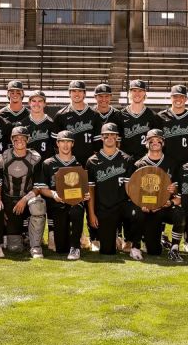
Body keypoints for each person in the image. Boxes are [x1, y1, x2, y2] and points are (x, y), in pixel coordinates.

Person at [53, 80, 102, 250]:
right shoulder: (61, 115)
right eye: (73, 91)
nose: (76, 94)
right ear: (69, 93)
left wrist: (92, 164)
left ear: (84, 94)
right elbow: (56, 144)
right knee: (69, 200)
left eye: (79, 91)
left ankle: (93, 237)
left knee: (90, 200)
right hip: (68, 164)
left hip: (88, 164)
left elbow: (97, 145)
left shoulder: (94, 115)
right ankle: (76, 236)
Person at [35, 130, 90, 260]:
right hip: (57, 204)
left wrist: (85, 195)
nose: (65, 145)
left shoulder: (79, 163)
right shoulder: (48, 163)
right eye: (62, 142)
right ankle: (71, 241)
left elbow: (85, 188)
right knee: (61, 249)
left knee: (77, 210)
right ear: (57, 143)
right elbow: (42, 188)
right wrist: (53, 194)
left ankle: (75, 247)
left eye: (68, 142)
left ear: (73, 144)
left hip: (75, 202)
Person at [0, 126, 46, 258]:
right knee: (14, 248)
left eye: (23, 138)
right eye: (16, 139)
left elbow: (38, 187)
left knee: (38, 204)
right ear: (12, 140)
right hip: (10, 200)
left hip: (28, 199)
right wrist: (3, 209)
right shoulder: (2, 158)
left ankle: (35, 247)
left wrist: (24, 200)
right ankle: (22, 235)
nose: (20, 141)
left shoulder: (35, 158)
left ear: (28, 140)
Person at [86, 123, 137, 257]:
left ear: (117, 137)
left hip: (122, 206)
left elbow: (129, 188)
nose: (109, 137)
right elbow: (90, 191)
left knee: (138, 213)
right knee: (108, 251)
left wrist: (137, 205)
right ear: (101, 138)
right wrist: (91, 214)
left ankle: (133, 243)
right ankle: (112, 239)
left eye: (112, 135)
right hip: (104, 208)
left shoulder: (126, 159)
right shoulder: (92, 161)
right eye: (106, 135)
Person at [133, 129, 179, 258]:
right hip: (147, 209)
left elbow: (178, 189)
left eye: (158, 140)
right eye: (151, 140)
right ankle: (139, 242)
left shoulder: (172, 163)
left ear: (163, 142)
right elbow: (134, 190)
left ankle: (175, 246)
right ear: (146, 143)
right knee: (154, 251)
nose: (155, 142)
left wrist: (174, 190)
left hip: (164, 207)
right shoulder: (139, 164)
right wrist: (141, 204)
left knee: (179, 213)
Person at [157, 84, 188, 169]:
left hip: (186, 164)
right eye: (175, 96)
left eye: (181, 96)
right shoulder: (160, 117)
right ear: (171, 98)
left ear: (186, 99)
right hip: (164, 163)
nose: (178, 99)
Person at [119, 80, 159, 162]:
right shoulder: (120, 115)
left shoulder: (152, 116)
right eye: (134, 91)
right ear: (129, 93)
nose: (137, 94)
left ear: (145, 93)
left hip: (146, 160)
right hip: (124, 160)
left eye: (140, 91)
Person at [19, 90, 57, 163]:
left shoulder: (52, 124)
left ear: (44, 104)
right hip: (27, 165)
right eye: (34, 101)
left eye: (40, 101)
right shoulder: (22, 124)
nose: (36, 104)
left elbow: (57, 148)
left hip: (46, 166)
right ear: (29, 103)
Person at [92, 83, 123, 153]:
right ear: (95, 97)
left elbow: (119, 141)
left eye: (106, 96)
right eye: (100, 96)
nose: (104, 99)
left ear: (111, 97)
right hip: (93, 156)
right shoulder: (89, 114)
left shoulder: (118, 115)